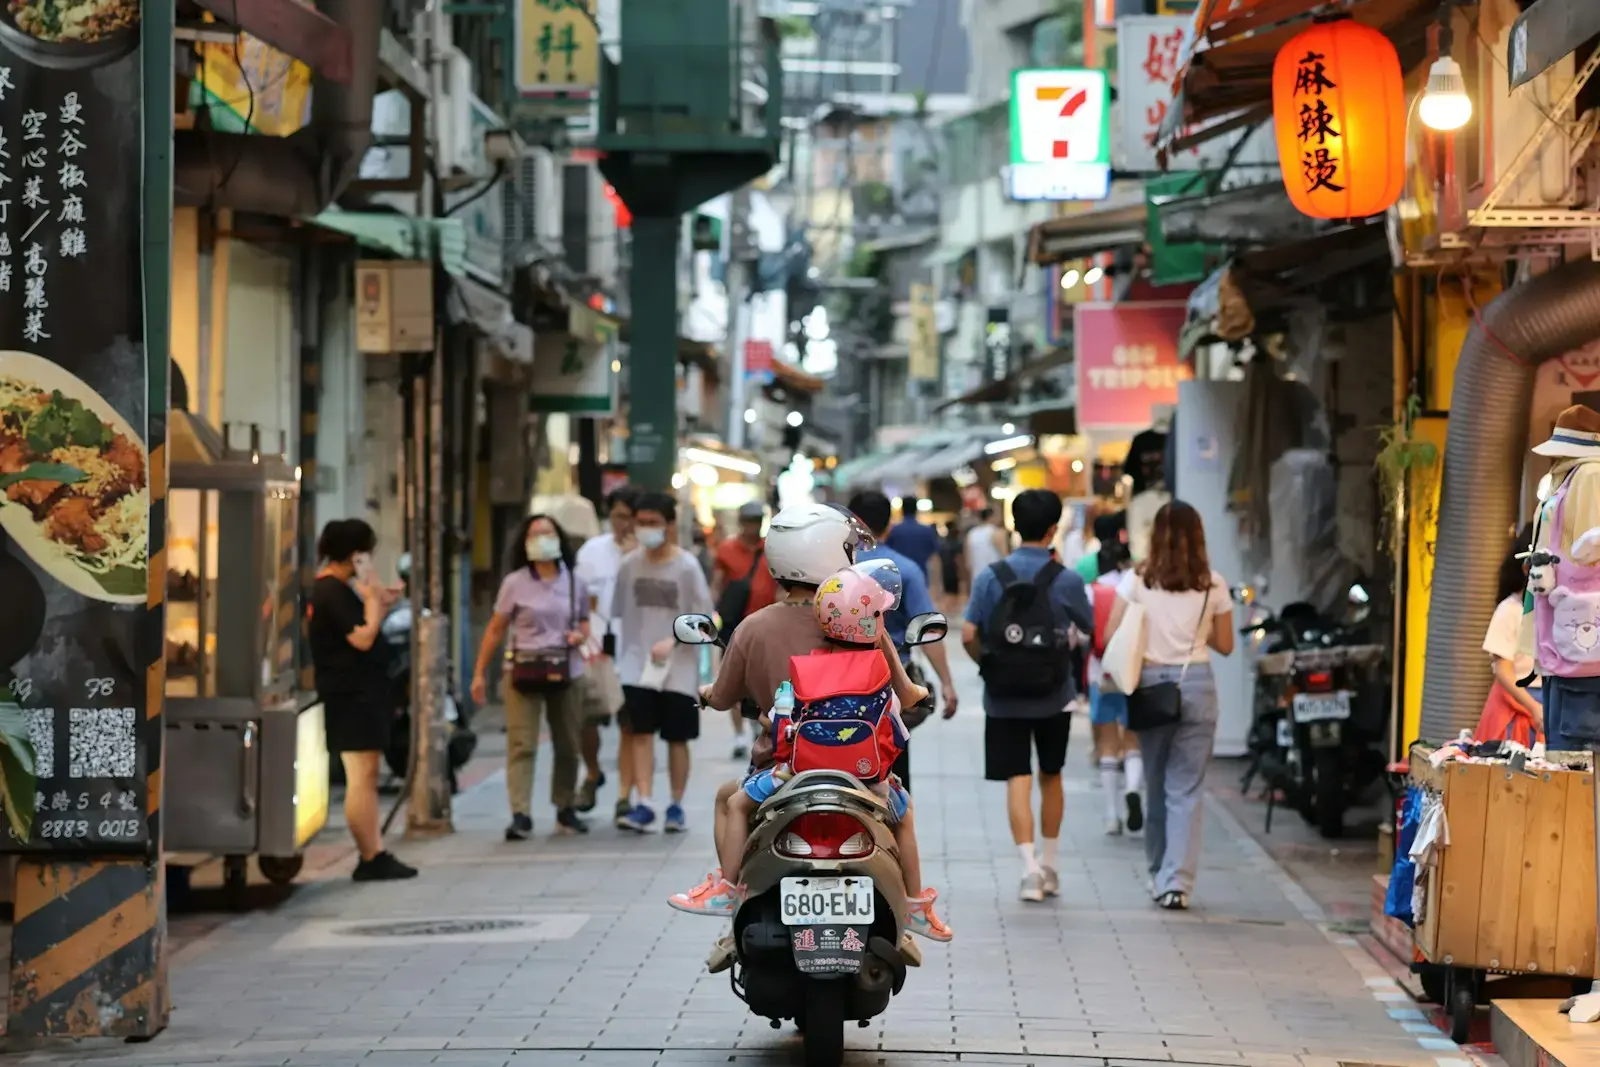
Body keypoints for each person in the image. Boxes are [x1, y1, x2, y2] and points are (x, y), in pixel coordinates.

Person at [670, 555, 953, 942]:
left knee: (735, 804)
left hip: (795, 772)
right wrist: (920, 694)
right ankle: (916, 906)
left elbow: (781, 720)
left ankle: (727, 888)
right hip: (869, 780)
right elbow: (903, 705)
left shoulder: (806, 667)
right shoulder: (879, 666)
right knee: (904, 817)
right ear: (872, 622)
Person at [962, 489, 1093, 903]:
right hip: (1054, 693)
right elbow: (1088, 628)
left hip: (1003, 696)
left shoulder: (990, 576)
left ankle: (1029, 869)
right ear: (1054, 528)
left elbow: (967, 633)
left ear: (1015, 526)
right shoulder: (1067, 579)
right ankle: (1051, 864)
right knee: (1051, 774)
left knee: (1017, 778)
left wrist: (987, 664)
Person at [1104, 500, 1233, 911]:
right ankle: (1176, 882)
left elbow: (1111, 633)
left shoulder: (1137, 579)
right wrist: (1196, 629)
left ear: (1154, 535)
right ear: (1199, 536)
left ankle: (1159, 873)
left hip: (1150, 686)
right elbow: (1226, 644)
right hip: (1195, 683)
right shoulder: (1213, 584)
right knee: (1186, 788)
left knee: (1156, 783)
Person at [308, 519, 417, 881]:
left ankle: (374, 850)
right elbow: (363, 638)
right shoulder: (330, 592)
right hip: (350, 696)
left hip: (360, 694)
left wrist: (378, 600)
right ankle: (371, 854)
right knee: (361, 776)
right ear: (354, 555)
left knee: (365, 776)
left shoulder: (341, 589)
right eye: (365, 553)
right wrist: (373, 602)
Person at [472, 515, 592, 839]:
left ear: (559, 539)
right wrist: (479, 673)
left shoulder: (574, 582)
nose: (541, 539)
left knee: (568, 743)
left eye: (548, 532)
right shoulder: (515, 582)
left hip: (565, 670)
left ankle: (565, 807)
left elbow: (584, 622)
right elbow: (496, 628)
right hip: (523, 669)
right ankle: (520, 813)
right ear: (524, 542)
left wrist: (580, 637)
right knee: (521, 743)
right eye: (534, 534)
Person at [611, 492, 715, 833]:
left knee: (676, 737)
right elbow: (617, 613)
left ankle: (675, 804)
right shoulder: (629, 565)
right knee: (639, 732)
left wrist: (674, 638)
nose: (646, 529)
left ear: (669, 525)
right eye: (641, 523)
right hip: (636, 665)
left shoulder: (686, 567)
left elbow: (705, 618)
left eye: (653, 522)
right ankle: (644, 801)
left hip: (679, 669)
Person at [849, 489, 959, 791]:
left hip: (836, 681)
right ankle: (897, 829)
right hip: (890, 685)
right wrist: (947, 683)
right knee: (894, 766)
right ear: (889, 526)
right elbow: (928, 629)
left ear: (852, 523)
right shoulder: (904, 570)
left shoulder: (835, 568)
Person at [574, 487, 639, 820]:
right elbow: (580, 601)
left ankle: (625, 796)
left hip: (632, 651)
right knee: (588, 721)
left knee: (631, 725)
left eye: (630, 518)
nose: (624, 524)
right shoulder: (591, 553)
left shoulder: (645, 555)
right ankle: (592, 771)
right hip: (595, 651)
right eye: (618, 517)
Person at [713, 500, 777, 759]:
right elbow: (717, 583)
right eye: (749, 521)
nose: (754, 526)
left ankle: (757, 724)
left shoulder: (770, 549)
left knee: (762, 679)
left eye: (757, 521)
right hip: (734, 624)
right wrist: (713, 612)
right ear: (741, 522)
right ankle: (740, 734)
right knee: (733, 680)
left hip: (765, 624)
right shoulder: (727, 549)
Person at [1086, 541, 1142, 835]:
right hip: (1136, 672)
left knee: (1108, 743)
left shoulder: (1093, 590)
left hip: (1102, 672)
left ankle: (1111, 815)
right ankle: (1132, 788)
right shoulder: (1138, 585)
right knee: (1132, 740)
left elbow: (1084, 632)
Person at [1477, 522, 1543, 746]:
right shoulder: (1510, 609)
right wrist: (1534, 708)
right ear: (1527, 568)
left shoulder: (1564, 610)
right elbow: (1502, 669)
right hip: (1517, 706)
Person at [885, 496, 941, 578]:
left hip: (898, 574)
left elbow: (887, 550)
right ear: (916, 510)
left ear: (902, 510)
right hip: (921, 572)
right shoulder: (927, 530)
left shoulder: (893, 531)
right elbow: (933, 550)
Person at [964, 507, 1009, 585]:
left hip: (977, 578)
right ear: (991, 517)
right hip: (995, 577)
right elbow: (1005, 557)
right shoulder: (997, 533)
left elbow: (968, 561)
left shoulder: (971, 534)